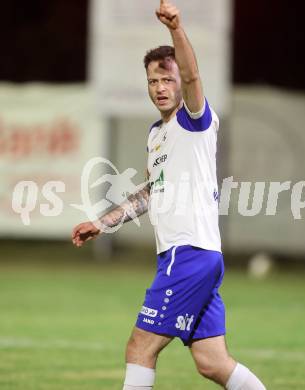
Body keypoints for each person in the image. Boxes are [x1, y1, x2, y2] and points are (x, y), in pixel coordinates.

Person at [72, 1, 266, 389]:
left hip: (188, 254)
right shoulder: (155, 135)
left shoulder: (194, 120)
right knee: (213, 363)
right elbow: (150, 193)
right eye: (153, 81)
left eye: (168, 79)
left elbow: (194, 79)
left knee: (139, 347)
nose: (160, 88)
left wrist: (176, 29)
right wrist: (101, 223)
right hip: (195, 255)